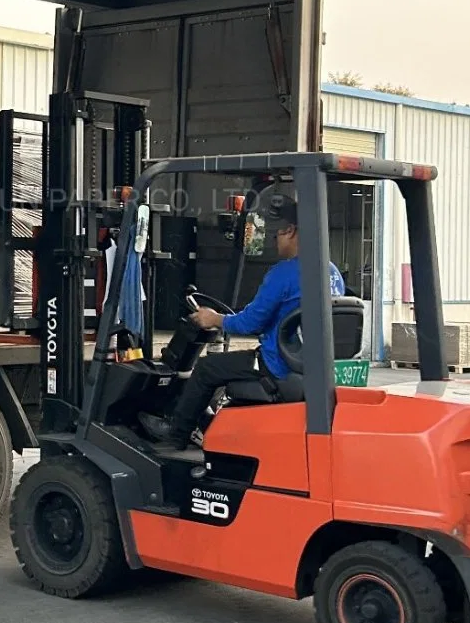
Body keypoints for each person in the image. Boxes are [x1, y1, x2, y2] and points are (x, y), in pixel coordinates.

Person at [141, 193, 344, 450]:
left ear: (291, 231)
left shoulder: (284, 273)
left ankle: (175, 436)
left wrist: (214, 318)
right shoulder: (332, 272)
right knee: (224, 367)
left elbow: (251, 323)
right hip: (306, 365)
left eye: (277, 234)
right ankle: (206, 426)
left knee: (207, 368)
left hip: (277, 364)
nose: (274, 240)